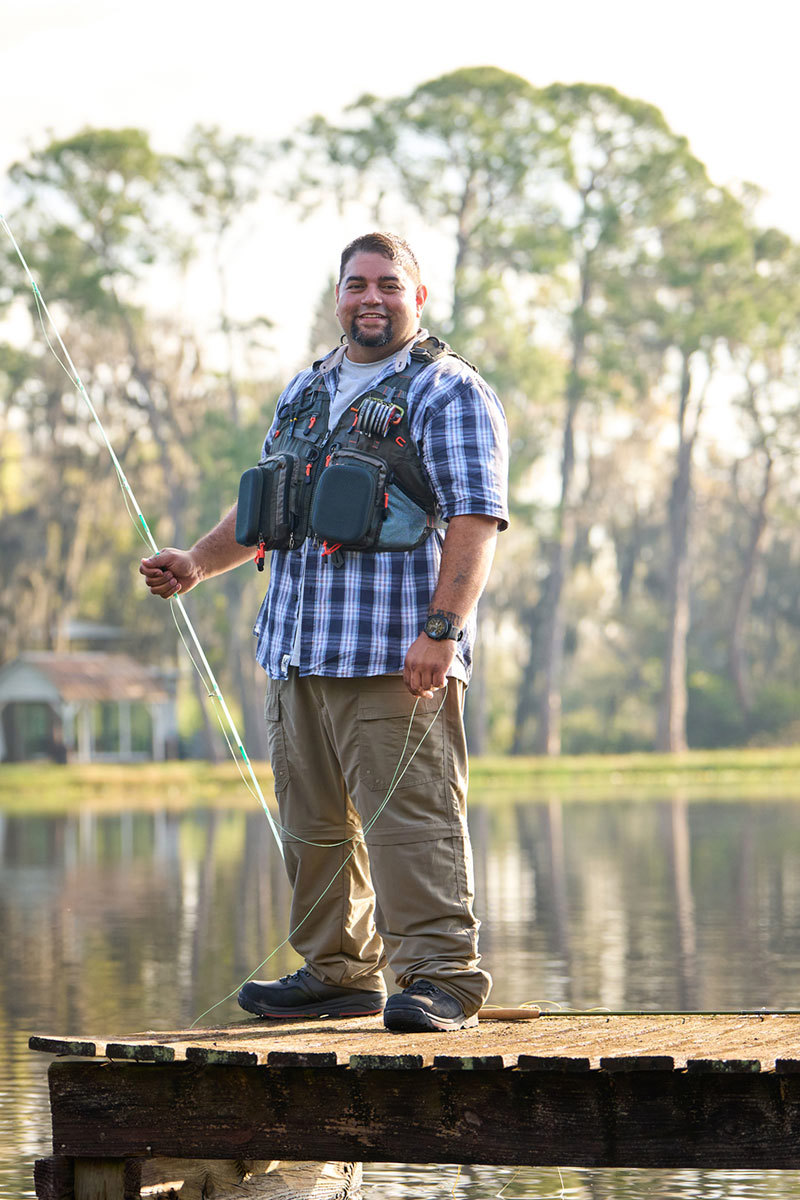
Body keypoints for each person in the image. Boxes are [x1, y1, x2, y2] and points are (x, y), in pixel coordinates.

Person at [140, 232, 509, 1033]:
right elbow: (267, 508)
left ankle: (441, 977)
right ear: (337, 296)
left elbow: (478, 521)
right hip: (297, 653)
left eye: (387, 285)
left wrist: (442, 632)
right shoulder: (306, 389)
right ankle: (339, 972)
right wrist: (198, 562)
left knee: (412, 820)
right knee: (312, 827)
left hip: (395, 654)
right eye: (355, 285)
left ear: (418, 298)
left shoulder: (450, 391)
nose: (369, 298)